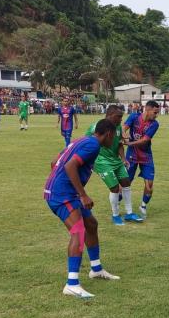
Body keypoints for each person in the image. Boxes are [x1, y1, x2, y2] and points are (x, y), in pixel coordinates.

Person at [44, 119, 121, 299]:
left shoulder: (82, 140)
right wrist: (82, 194)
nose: (115, 140)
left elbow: (55, 161)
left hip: (66, 192)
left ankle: (96, 269)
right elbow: (70, 166)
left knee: (91, 224)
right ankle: (72, 284)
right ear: (109, 134)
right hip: (62, 196)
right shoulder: (93, 146)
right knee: (78, 231)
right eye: (115, 135)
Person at [85, 105, 143, 225]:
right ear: (110, 115)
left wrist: (123, 159)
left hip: (116, 160)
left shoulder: (117, 127)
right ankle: (115, 215)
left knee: (126, 182)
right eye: (119, 117)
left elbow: (120, 144)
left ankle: (129, 213)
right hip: (102, 162)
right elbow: (86, 142)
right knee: (115, 188)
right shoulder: (96, 127)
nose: (121, 119)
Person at [122, 100, 161, 219]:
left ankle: (143, 206)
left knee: (149, 185)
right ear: (147, 110)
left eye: (157, 113)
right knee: (125, 182)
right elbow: (124, 127)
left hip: (146, 155)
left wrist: (129, 143)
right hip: (132, 155)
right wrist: (123, 133)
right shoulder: (134, 116)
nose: (156, 115)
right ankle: (117, 203)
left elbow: (145, 140)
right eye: (155, 112)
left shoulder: (154, 124)